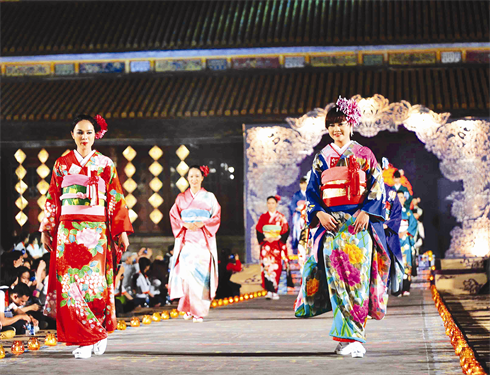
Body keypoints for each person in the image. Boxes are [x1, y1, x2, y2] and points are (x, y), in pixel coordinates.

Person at [294, 97, 390, 358]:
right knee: (337, 285)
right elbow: (312, 194)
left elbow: (377, 188)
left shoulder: (364, 154)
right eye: (332, 125)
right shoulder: (322, 158)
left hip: (357, 227)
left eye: (341, 123)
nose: (336, 129)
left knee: (357, 283)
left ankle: (356, 339)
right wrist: (320, 213)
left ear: (351, 124)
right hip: (332, 229)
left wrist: (366, 212)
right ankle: (346, 338)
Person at [40, 114, 133, 359]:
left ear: (96, 135)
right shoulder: (61, 163)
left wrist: (120, 230)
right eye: (80, 132)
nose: (84, 137)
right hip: (68, 230)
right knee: (70, 284)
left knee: (94, 284)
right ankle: (86, 338)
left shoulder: (105, 164)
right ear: (72, 134)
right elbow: (52, 197)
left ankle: (96, 333)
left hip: (95, 231)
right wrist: (47, 229)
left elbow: (115, 198)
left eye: (89, 132)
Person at [168, 165, 221, 323]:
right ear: (187, 178)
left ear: (202, 178)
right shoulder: (181, 198)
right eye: (191, 176)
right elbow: (174, 215)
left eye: (197, 176)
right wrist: (184, 224)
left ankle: (199, 311)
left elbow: (216, 216)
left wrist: (202, 222)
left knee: (201, 276)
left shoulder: (210, 197)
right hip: (187, 242)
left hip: (203, 240)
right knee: (187, 277)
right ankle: (188, 308)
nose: (194, 179)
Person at [256, 195, 290, 300]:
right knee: (266, 267)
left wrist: (277, 237)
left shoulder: (281, 217)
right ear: (267, 204)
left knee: (276, 267)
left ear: (276, 204)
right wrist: (265, 237)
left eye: (273, 203)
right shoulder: (263, 217)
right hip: (266, 246)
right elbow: (259, 230)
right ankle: (269, 291)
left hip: (276, 246)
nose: (271, 205)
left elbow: (285, 230)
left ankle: (275, 290)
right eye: (269, 203)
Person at [383, 184, 404, 295]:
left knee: (386, 262)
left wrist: (388, 224)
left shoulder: (390, 192)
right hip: (369, 230)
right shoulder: (363, 186)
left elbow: (397, 213)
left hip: (385, 233)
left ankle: (385, 289)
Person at [397, 191, 418, 296]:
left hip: (405, 240)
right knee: (396, 264)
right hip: (396, 239)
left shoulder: (408, 212)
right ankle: (396, 289)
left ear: (404, 199)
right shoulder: (392, 212)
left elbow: (414, 224)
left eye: (401, 197)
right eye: (398, 197)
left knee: (407, 264)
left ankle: (406, 288)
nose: (400, 199)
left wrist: (405, 232)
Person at [289, 178, 308, 255]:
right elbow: (292, 205)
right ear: (300, 185)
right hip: (298, 216)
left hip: (307, 216)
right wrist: (297, 208)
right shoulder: (296, 195)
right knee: (298, 233)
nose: (303, 185)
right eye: (301, 183)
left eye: (305, 183)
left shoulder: (309, 194)